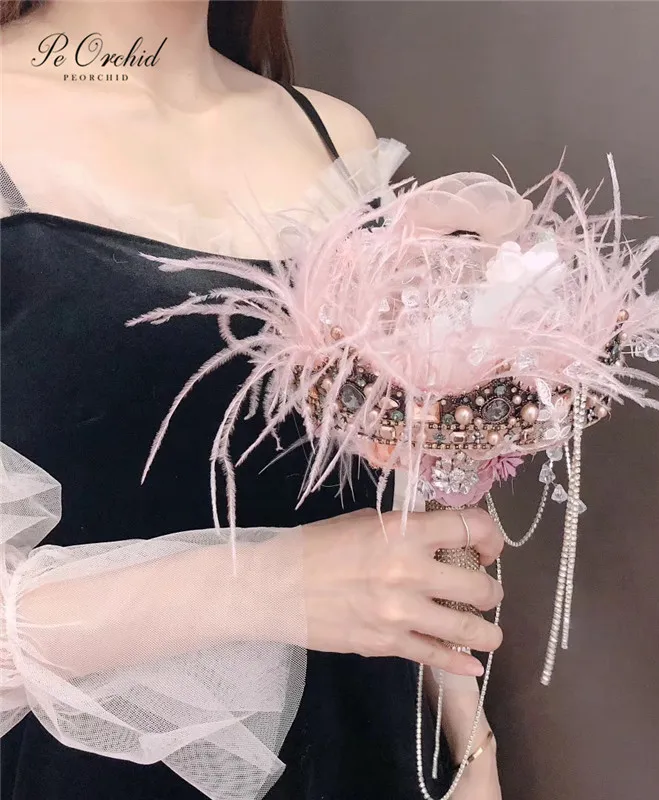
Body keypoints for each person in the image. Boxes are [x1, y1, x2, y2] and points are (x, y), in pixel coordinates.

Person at [0, 2, 504, 799]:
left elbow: (390, 495)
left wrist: (472, 746)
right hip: (102, 767)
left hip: (372, 743)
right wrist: (275, 585)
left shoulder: (333, 135)